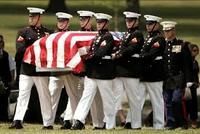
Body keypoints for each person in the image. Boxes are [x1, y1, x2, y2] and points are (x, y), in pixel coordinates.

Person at [9, 7, 53, 129]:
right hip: (27, 69)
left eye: (33, 17)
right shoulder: (23, 32)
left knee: (44, 96)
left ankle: (48, 123)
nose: (31, 19)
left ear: (39, 17)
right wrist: (36, 48)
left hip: (41, 70)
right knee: (23, 94)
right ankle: (17, 120)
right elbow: (20, 50)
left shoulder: (47, 33)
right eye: (30, 16)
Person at [72, 13, 116, 130]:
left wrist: (87, 56)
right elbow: (93, 52)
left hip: (103, 73)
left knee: (107, 99)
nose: (98, 25)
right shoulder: (97, 37)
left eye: (101, 23)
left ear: (106, 23)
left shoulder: (108, 37)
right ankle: (79, 120)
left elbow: (100, 53)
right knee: (86, 97)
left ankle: (110, 124)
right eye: (97, 22)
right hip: (92, 73)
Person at [112, 11, 144, 129]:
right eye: (127, 20)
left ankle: (135, 124)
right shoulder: (126, 34)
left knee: (133, 98)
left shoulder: (137, 34)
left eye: (131, 21)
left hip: (131, 70)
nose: (128, 23)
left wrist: (118, 54)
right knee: (116, 96)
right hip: (121, 69)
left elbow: (131, 48)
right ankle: (111, 122)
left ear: (136, 22)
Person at [160, 21, 194, 129]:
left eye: (168, 30)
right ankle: (171, 123)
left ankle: (182, 122)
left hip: (178, 78)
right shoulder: (162, 45)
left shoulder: (181, 45)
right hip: (166, 78)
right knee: (168, 101)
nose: (166, 33)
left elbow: (187, 64)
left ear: (174, 31)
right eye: (165, 31)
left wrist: (189, 80)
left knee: (176, 100)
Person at [139, 15, 166, 129]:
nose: (148, 26)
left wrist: (140, 56)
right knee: (137, 99)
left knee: (157, 100)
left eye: (151, 24)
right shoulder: (148, 38)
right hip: (145, 74)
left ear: (157, 25)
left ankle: (159, 124)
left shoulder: (159, 39)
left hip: (154, 74)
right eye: (147, 24)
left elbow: (151, 54)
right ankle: (132, 122)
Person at [48, 12, 73, 127]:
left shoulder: (72, 35)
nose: (61, 23)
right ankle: (48, 122)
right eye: (59, 21)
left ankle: (68, 120)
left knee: (72, 96)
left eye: (63, 21)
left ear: (68, 23)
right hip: (56, 70)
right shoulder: (52, 35)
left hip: (68, 71)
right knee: (52, 95)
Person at [186, 44, 199, 129]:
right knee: (187, 103)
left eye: (197, 50)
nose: (196, 52)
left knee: (194, 103)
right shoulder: (187, 61)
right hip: (187, 85)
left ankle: (194, 121)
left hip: (194, 86)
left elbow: (196, 74)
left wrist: (197, 82)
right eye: (194, 50)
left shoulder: (195, 62)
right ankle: (186, 121)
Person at [0, 35, 12, 121]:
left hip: (5, 82)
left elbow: (11, 70)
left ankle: (4, 116)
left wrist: (10, 82)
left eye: (1, 42)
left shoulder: (6, 55)